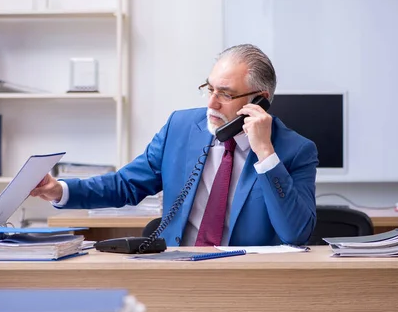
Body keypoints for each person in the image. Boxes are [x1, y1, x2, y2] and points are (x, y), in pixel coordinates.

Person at [31, 44, 318, 246]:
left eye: (226, 95)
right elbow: (125, 185)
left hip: (247, 281)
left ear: (260, 100)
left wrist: (265, 154)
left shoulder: (295, 150)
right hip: (175, 271)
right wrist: (60, 190)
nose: (211, 103)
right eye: (210, 89)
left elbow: (296, 233)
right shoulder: (179, 128)